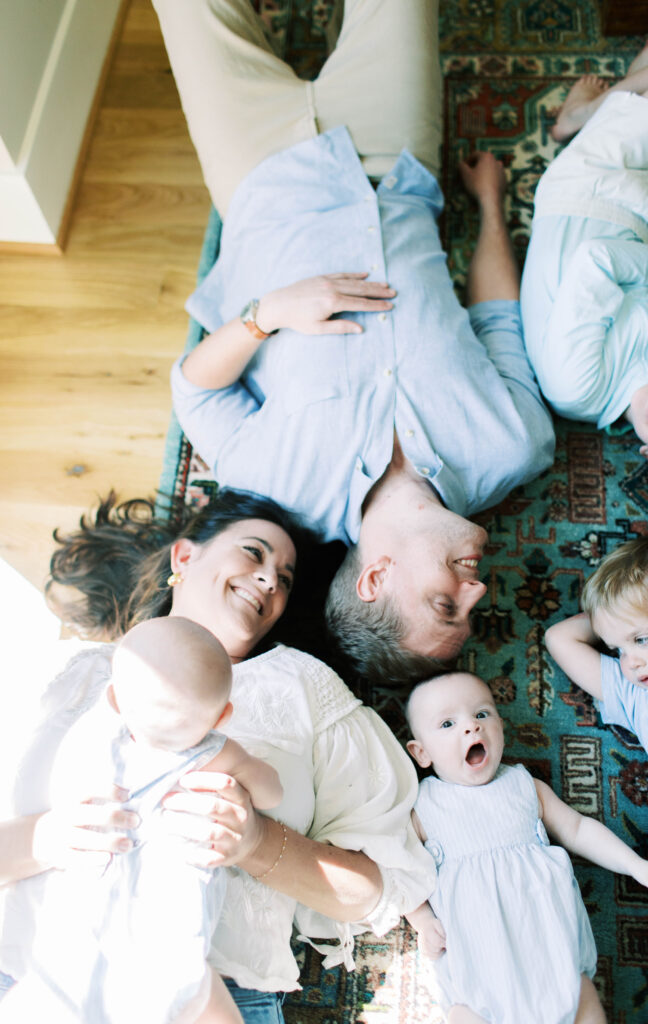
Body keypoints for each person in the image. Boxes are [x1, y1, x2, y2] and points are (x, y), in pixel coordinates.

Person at [153, 0, 556, 684]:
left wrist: (267, 314)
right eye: (471, 609)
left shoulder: (279, 488)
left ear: (374, 579)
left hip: (258, 178)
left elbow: (195, 387)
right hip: (393, 160)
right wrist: (488, 206)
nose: (477, 591)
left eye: (444, 605)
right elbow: (497, 318)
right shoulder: (514, 444)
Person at [0, 488, 436, 1024]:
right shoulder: (76, 672)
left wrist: (255, 842)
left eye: (285, 578)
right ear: (184, 557)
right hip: (32, 962)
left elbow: (376, 889)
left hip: (211, 987)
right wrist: (44, 838)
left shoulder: (302, 687)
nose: (271, 579)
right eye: (254, 553)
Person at [0, 615, 286, 1024]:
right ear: (222, 716)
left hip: (72, 953)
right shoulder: (210, 752)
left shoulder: (88, 736)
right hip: (170, 960)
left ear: (114, 699)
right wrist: (249, 777)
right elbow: (271, 791)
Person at [403, 672, 648, 1024]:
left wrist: (635, 864)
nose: (471, 726)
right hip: (478, 978)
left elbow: (578, 829)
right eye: (448, 723)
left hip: (557, 964)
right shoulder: (424, 807)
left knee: (585, 1004)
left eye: (482, 714)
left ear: (501, 725)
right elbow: (398, 869)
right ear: (421, 752)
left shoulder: (524, 785)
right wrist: (422, 920)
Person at [520, 41, 648, 473]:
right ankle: (625, 100)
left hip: (589, 191)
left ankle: (584, 116)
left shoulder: (578, 388)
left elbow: (597, 261)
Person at [545, 535, 648, 957]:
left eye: (641, 639)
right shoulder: (640, 698)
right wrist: (613, 616)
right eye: (617, 648)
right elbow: (559, 638)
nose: (631, 661)